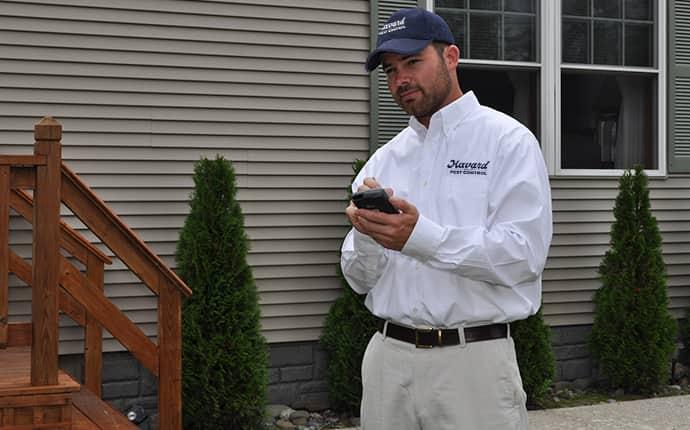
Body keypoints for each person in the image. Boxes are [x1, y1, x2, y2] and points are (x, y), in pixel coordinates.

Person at [340, 8, 553, 430]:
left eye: (413, 62)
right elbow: (360, 279)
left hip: (472, 366)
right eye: (390, 69)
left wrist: (419, 237)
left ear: (451, 57)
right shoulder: (386, 157)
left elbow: (523, 255)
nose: (400, 79)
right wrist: (368, 235)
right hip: (388, 361)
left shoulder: (507, 141)